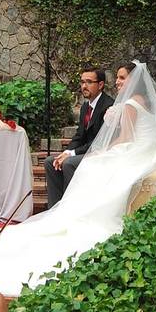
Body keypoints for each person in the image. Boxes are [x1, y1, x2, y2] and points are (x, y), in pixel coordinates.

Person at [0, 60, 156, 296]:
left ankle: (75, 211)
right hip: (152, 150)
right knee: (90, 164)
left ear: (134, 81)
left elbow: (127, 138)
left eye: (121, 78)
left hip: (137, 149)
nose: (117, 82)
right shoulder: (146, 102)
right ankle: (66, 207)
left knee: (93, 166)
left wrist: (103, 151)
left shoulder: (130, 102)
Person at [44, 66, 115, 207]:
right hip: (85, 152)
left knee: (69, 163)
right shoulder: (85, 107)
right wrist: (66, 152)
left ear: (100, 85)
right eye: (82, 82)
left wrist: (72, 154)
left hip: (101, 152)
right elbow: (79, 135)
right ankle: (54, 209)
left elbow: (99, 141)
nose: (84, 86)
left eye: (89, 82)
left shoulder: (109, 106)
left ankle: (72, 208)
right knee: (50, 161)